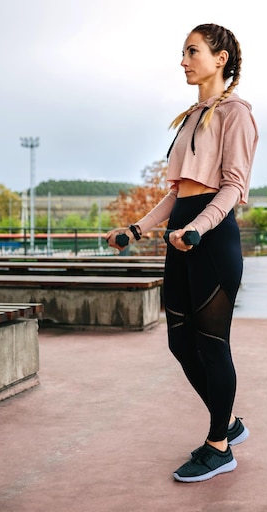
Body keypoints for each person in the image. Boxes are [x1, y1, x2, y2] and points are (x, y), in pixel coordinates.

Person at [106, 23, 258, 482]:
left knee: (213, 345)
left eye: (193, 51)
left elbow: (232, 187)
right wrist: (136, 229)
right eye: (184, 52)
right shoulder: (192, 116)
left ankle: (219, 446)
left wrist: (197, 228)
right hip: (183, 234)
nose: (184, 60)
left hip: (211, 239)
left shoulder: (237, 113)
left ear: (220, 59)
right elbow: (178, 192)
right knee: (178, 340)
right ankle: (228, 422)